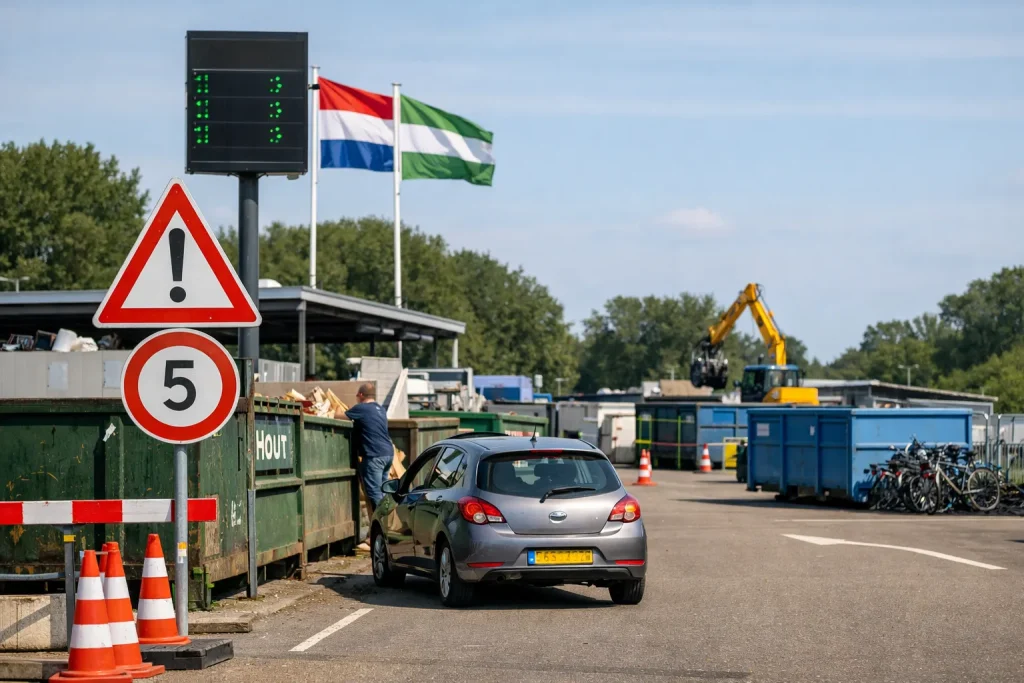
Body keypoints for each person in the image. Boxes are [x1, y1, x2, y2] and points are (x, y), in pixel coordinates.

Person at [345, 382, 394, 513]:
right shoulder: (381, 409)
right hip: (388, 454)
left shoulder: (361, 408)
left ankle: (382, 527)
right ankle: (388, 522)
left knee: (375, 495)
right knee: (383, 493)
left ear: (361, 395)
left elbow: (338, 416)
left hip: (374, 456)